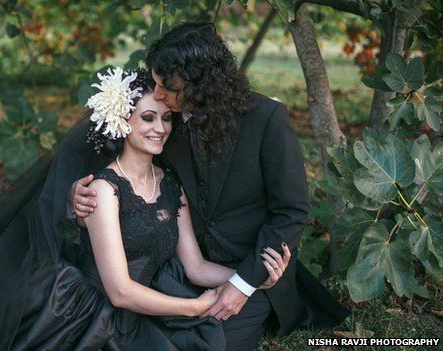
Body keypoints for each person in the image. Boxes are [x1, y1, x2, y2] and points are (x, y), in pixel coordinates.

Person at [0, 68, 288, 351]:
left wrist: (248, 276)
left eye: (165, 118)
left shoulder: (170, 185)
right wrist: (193, 309)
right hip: (82, 309)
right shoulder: (102, 189)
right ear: (121, 122)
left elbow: (196, 264)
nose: (161, 128)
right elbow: (120, 291)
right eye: (147, 117)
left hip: (144, 303)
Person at [71, 23, 349, 350]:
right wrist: (78, 199)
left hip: (247, 268)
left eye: (168, 87)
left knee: (215, 343)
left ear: (201, 85)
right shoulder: (164, 122)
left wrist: (247, 282)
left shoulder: (266, 119)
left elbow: (291, 211)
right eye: (156, 84)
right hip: (183, 269)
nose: (158, 96)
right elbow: (119, 168)